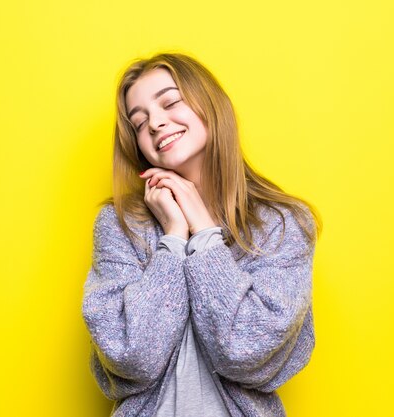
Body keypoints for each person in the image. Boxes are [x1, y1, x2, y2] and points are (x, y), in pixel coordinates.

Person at [82, 52, 323, 417]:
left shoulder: (282, 224)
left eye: (170, 102)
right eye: (139, 121)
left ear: (209, 105)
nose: (155, 123)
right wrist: (174, 239)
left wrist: (206, 234)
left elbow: (245, 348)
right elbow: (132, 357)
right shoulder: (119, 226)